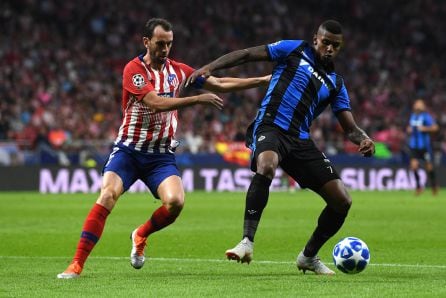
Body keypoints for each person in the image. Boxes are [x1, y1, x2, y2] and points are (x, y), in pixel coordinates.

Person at [57, 18, 270, 279]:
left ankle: (140, 234)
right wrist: (196, 99)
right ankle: (76, 264)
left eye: (169, 44)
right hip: (129, 151)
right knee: (108, 195)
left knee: (176, 202)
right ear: (146, 42)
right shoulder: (133, 70)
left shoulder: (179, 71)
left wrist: (262, 80)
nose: (165, 49)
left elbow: (220, 83)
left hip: (160, 156)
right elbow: (155, 102)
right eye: (160, 43)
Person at [187, 20, 375, 275]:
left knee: (342, 200)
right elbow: (246, 55)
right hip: (270, 126)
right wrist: (210, 67)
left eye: (336, 45)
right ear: (316, 39)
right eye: (326, 42)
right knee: (266, 165)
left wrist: (364, 139)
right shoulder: (294, 49)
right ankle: (246, 242)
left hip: (299, 140)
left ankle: (308, 256)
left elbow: (350, 128)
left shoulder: (336, 83)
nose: (330, 48)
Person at [406, 99, 439, 195]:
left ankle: (433, 185)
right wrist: (409, 129)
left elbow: (435, 127)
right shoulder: (412, 116)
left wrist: (425, 128)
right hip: (414, 146)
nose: (417, 105)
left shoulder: (426, 116)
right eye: (416, 103)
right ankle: (418, 187)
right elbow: (410, 127)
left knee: (429, 167)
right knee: (414, 166)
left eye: (419, 104)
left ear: (423, 106)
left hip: (424, 146)